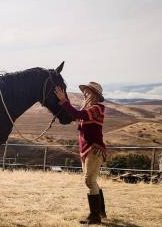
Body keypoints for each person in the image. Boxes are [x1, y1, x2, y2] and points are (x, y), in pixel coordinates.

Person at [54, 82, 107, 225]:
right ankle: (100, 212)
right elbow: (76, 116)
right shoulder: (90, 110)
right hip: (88, 150)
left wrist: (64, 100)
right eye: (84, 91)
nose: (84, 93)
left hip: (94, 150)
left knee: (89, 181)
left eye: (87, 92)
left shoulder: (97, 108)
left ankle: (95, 216)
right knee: (92, 181)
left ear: (94, 95)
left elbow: (78, 114)